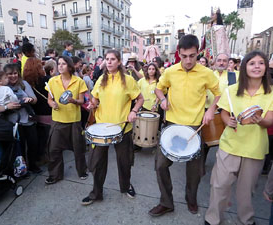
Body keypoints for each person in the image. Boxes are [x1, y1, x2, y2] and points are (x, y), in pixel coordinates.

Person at [149, 34, 220, 217]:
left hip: (194, 127)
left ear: (198, 53)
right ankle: (166, 202)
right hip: (172, 125)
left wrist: (211, 109)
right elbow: (158, 88)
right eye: (184, 56)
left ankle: (191, 199)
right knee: (160, 165)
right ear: (178, 53)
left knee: (194, 171)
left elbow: (219, 93)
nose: (188, 60)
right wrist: (163, 99)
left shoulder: (206, 73)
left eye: (192, 56)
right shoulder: (170, 71)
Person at [205, 50, 273, 225]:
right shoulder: (232, 90)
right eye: (252, 63)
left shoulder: (271, 92)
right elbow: (224, 113)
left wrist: (259, 120)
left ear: (266, 67)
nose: (256, 66)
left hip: (254, 147)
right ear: (244, 67)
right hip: (230, 144)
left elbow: (269, 121)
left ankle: (246, 220)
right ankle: (213, 219)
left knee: (246, 190)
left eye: (260, 63)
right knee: (219, 185)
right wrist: (229, 122)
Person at [81, 49, 144, 206]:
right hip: (102, 128)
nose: (109, 62)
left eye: (112, 59)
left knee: (125, 161)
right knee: (97, 162)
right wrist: (92, 104)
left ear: (119, 62)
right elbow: (95, 99)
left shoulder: (128, 80)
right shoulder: (101, 79)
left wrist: (134, 111)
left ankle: (125, 186)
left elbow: (140, 99)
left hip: (122, 128)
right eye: (107, 59)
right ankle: (96, 193)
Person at [0, 63, 41, 174]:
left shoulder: (24, 84)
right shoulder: (1, 88)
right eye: (9, 74)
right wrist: (6, 107)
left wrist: (29, 99)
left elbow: (35, 99)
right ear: (4, 76)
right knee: (19, 146)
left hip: (27, 118)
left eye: (15, 73)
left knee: (33, 143)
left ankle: (33, 164)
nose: (13, 76)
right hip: (13, 121)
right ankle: (22, 168)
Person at [45, 55, 88, 184]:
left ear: (69, 66)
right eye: (59, 64)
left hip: (74, 120)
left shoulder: (79, 81)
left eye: (63, 64)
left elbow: (82, 101)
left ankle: (82, 171)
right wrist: (52, 104)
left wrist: (74, 101)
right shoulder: (53, 81)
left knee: (78, 148)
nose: (60, 66)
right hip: (58, 119)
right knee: (53, 149)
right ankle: (55, 175)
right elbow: (49, 99)